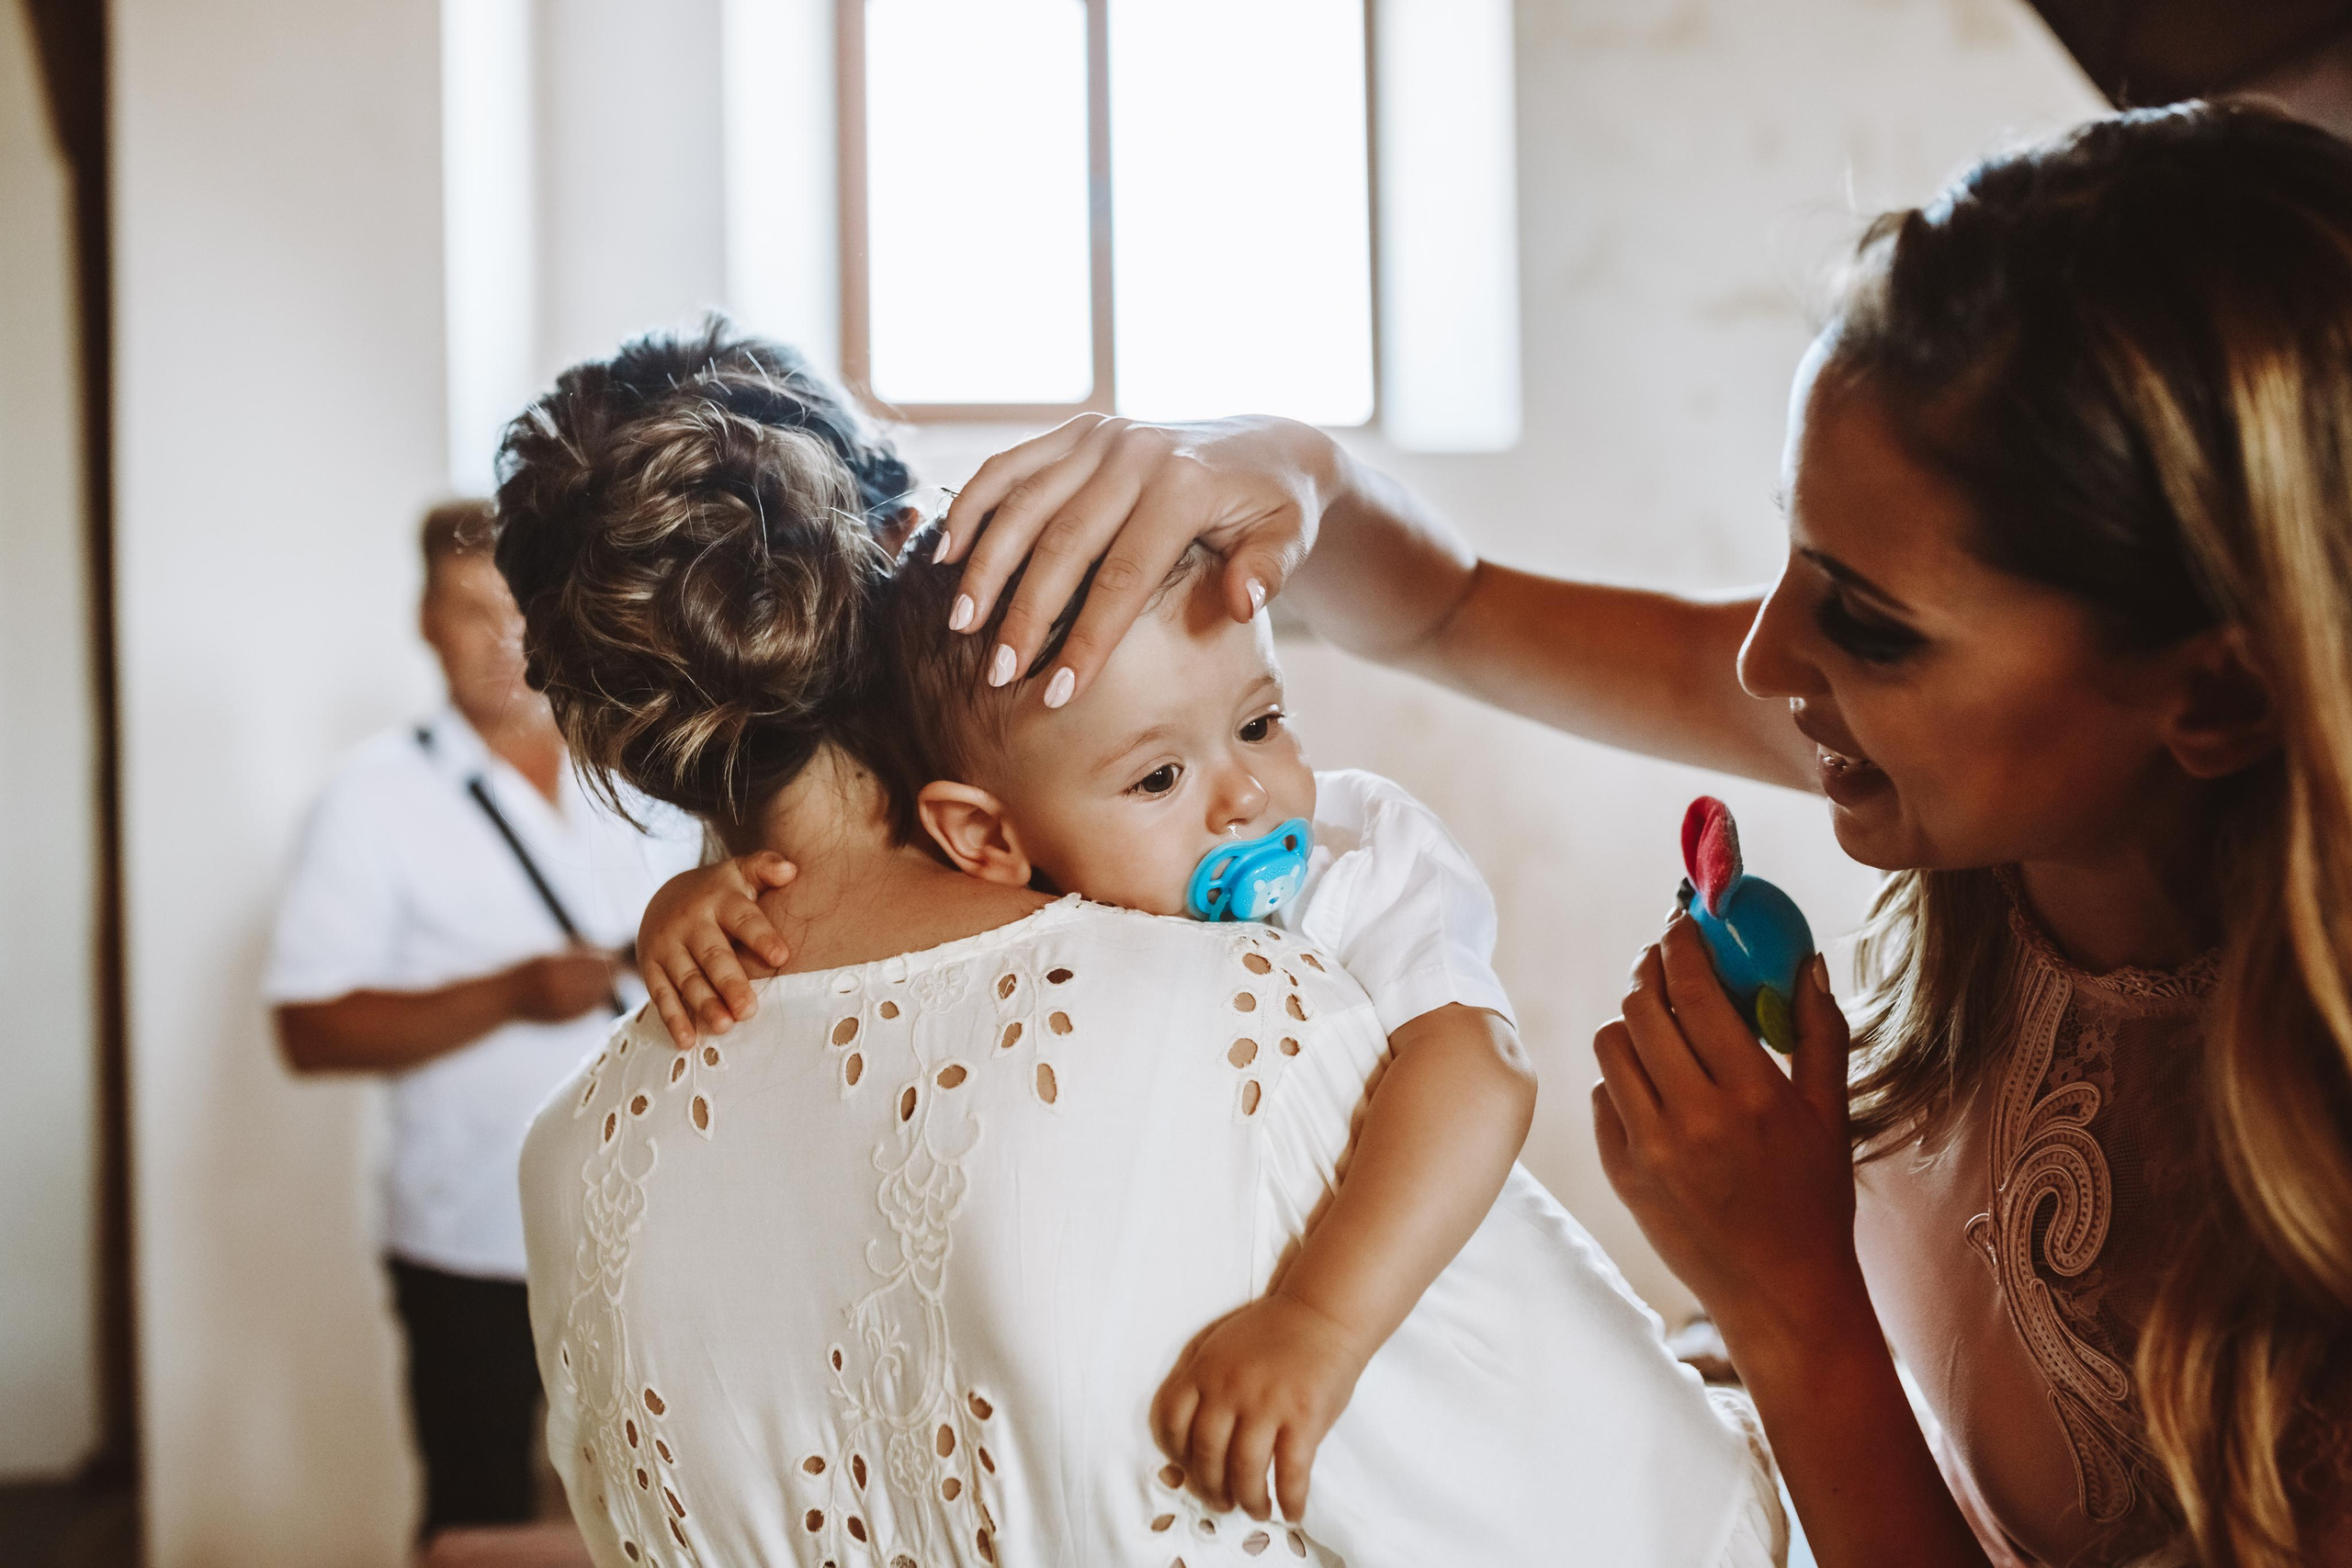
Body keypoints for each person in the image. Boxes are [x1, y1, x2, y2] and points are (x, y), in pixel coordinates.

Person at [924, 102, 2352, 1568]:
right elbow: (1450, 609)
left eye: (1866, 621)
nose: (1759, 664)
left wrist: (1790, 1303)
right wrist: (1283, 467)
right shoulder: (1996, 773)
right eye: (1791, 556)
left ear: (2220, 693)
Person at [498, 324, 1783, 1567]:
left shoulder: (565, 1163)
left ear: (621, 730)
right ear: (901, 563)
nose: (1243, 795)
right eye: (1164, 767)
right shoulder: (1254, 1029)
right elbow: (1670, 1529)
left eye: (1262, 722)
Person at [266, 502, 700, 1547]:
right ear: (425, 618)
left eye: (520, 612)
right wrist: (508, 995)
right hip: (469, 1238)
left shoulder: (644, 775)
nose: (502, 640)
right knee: (475, 1516)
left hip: (652, 1224)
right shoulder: (370, 801)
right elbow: (308, 1030)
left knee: (659, 1519)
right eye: (470, 610)